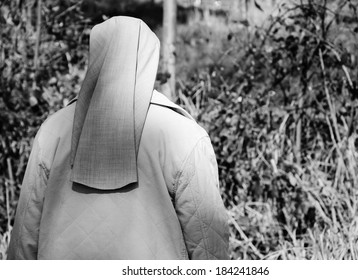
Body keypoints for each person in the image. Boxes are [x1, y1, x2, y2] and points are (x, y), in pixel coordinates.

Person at [7, 16, 229, 260]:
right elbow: (209, 248)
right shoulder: (183, 135)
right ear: (148, 58)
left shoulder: (53, 131)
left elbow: (24, 239)